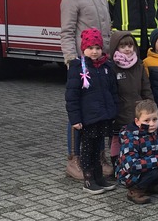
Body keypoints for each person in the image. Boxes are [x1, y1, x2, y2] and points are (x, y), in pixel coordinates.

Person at [59, 0, 112, 181]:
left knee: (98, 112)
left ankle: (98, 157)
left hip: (101, 62)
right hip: (82, 64)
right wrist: (72, 60)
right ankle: (75, 159)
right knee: (78, 112)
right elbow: (67, 32)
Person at [65, 29, 118, 194]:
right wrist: (75, 119)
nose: (94, 51)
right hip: (88, 118)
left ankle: (99, 177)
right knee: (87, 149)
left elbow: (113, 91)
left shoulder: (106, 67)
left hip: (103, 116)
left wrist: (113, 111)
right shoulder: (77, 68)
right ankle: (88, 179)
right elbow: (72, 97)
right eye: (90, 48)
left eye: (97, 47)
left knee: (98, 149)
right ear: (83, 49)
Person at [109, 31, 154, 169]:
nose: (128, 49)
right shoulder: (112, 67)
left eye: (130, 45)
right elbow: (111, 91)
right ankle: (117, 165)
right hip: (119, 111)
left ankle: (134, 165)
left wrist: (151, 105)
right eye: (123, 46)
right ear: (116, 48)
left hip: (137, 111)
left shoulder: (139, 65)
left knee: (137, 140)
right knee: (117, 140)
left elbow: (146, 87)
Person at [117, 99, 158, 204]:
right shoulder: (131, 138)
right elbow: (131, 165)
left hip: (151, 167)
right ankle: (135, 191)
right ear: (137, 121)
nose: (151, 124)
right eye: (147, 121)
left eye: (154, 119)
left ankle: (151, 186)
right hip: (130, 175)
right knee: (154, 171)